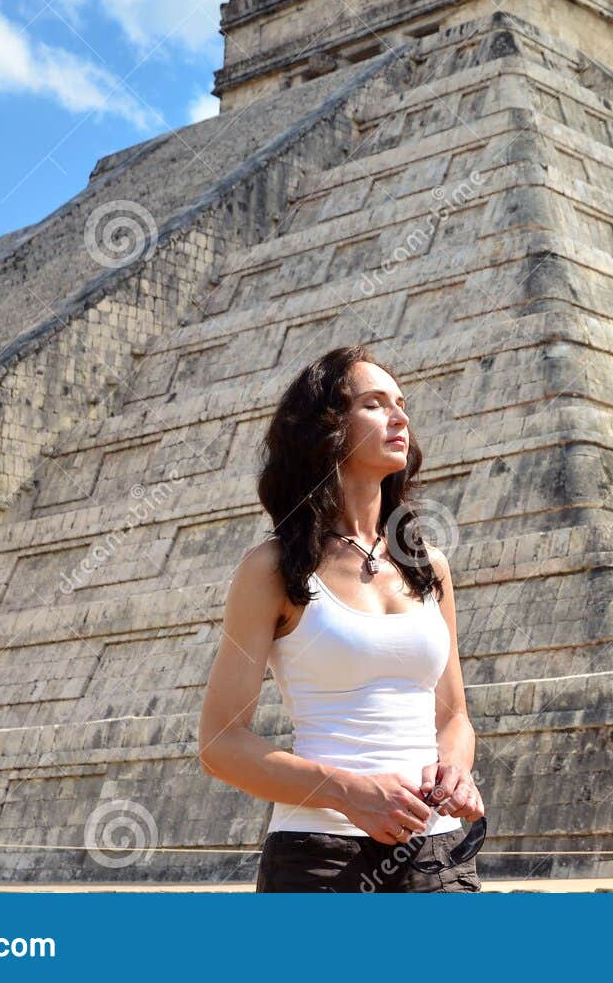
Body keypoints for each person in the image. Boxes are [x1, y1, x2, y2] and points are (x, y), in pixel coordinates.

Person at [198, 344, 486, 892]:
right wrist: (349, 791)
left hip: (440, 853)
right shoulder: (272, 570)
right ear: (326, 428)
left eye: (401, 404)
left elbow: (453, 719)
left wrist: (454, 768)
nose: (400, 416)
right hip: (320, 856)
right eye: (374, 404)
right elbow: (220, 743)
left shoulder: (430, 567)